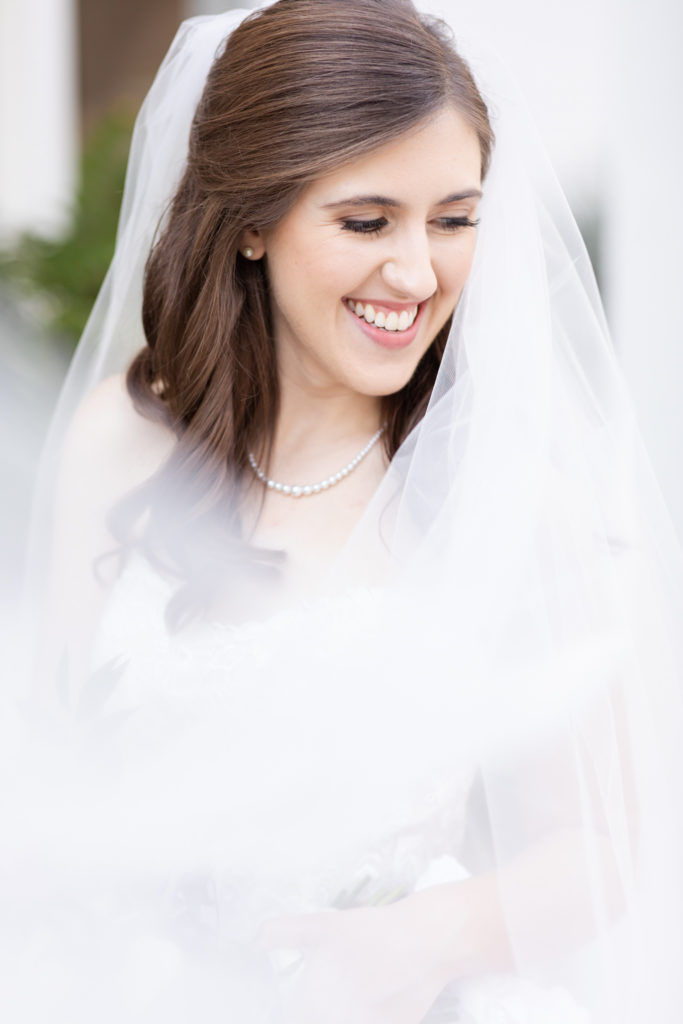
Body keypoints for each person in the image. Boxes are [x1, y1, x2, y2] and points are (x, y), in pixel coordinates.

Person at [12, 1, 683, 1022]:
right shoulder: (119, 439)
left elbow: (597, 847)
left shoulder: (505, 483)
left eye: (453, 219)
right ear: (249, 219)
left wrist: (426, 935)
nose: (415, 272)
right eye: (365, 220)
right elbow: (52, 767)